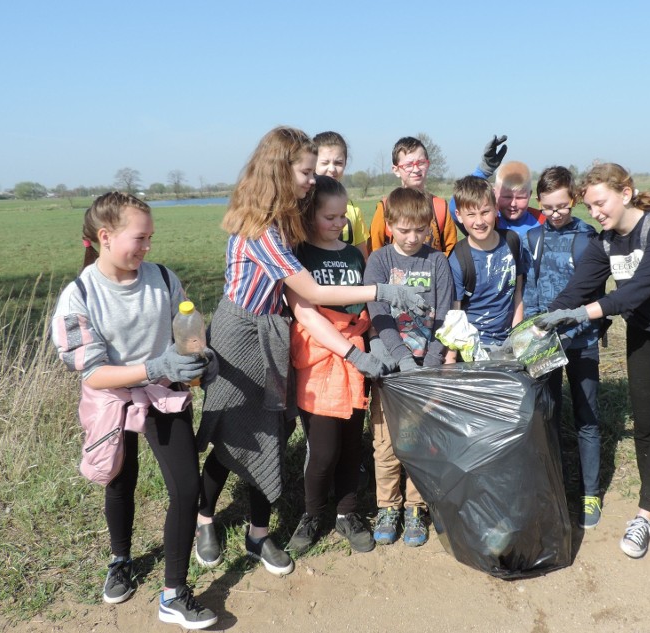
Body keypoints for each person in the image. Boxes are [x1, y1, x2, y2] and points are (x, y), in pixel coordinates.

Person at [193, 127, 428, 573]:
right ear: (281, 172)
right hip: (240, 333)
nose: (311, 178)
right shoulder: (263, 230)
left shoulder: (287, 221)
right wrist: (384, 290)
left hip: (274, 330)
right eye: (305, 171)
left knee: (270, 433)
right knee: (231, 432)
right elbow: (313, 291)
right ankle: (206, 518)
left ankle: (258, 535)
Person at [51, 192, 218, 629]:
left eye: (150, 238)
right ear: (105, 237)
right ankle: (121, 559)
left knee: (185, 488)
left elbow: (187, 332)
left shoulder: (163, 278)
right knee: (121, 480)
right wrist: (155, 365)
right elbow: (92, 374)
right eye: (139, 238)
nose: (147, 248)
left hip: (163, 393)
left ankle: (173, 594)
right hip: (113, 400)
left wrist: (201, 356)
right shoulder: (79, 295)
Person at [539, 163, 650, 559]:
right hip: (645, 338)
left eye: (601, 203)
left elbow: (635, 293)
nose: (596, 212)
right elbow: (577, 288)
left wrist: (583, 314)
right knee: (645, 423)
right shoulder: (604, 243)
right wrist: (542, 323)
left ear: (626, 192)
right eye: (591, 206)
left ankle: (644, 514)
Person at [284, 176, 384, 555]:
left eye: (343, 216)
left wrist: (371, 345)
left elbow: (365, 308)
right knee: (323, 450)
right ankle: (312, 514)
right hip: (319, 358)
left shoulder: (354, 255)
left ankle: (346, 513)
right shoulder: (298, 256)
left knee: (350, 446)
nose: (339, 223)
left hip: (355, 358)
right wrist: (349, 349)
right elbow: (305, 312)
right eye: (330, 216)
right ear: (309, 215)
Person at [363, 186, 455, 547]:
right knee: (386, 442)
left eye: (421, 230)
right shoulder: (380, 262)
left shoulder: (437, 262)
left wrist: (429, 362)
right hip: (391, 369)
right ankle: (388, 505)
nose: (413, 237)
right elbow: (378, 314)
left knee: (421, 441)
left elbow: (445, 316)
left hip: (426, 367)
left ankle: (416, 506)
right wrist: (401, 358)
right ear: (389, 226)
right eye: (404, 230)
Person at [522, 166, 604, 529]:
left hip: (583, 342)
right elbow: (529, 291)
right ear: (539, 203)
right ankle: (554, 488)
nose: (556, 213)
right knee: (548, 416)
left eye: (563, 205)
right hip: (546, 345)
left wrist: (577, 331)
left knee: (587, 419)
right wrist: (533, 336)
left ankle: (590, 494)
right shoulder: (532, 238)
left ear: (573, 199)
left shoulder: (589, 237)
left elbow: (597, 298)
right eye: (549, 206)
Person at [447, 175, 524, 357]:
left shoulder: (512, 241)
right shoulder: (458, 259)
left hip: (510, 343)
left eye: (485, 212)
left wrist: (518, 338)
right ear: (458, 215)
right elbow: (455, 314)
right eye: (471, 215)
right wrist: (450, 358)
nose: (479, 222)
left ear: (496, 208)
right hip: (473, 349)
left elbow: (518, 293)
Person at [368, 136, 459, 256]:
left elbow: (451, 250)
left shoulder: (440, 207)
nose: (416, 169)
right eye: (409, 165)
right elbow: (374, 251)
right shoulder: (385, 207)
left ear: (428, 165)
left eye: (421, 163)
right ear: (396, 170)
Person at [312, 131, 370, 259]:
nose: (332, 169)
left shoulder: (353, 210)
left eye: (338, 163)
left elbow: (363, 258)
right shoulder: (303, 207)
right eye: (325, 163)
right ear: (312, 162)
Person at [494, 161, 544, 239]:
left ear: (529, 195)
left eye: (520, 198)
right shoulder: (490, 220)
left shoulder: (542, 221)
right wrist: (483, 171)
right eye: (507, 197)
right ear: (495, 193)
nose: (513, 204)